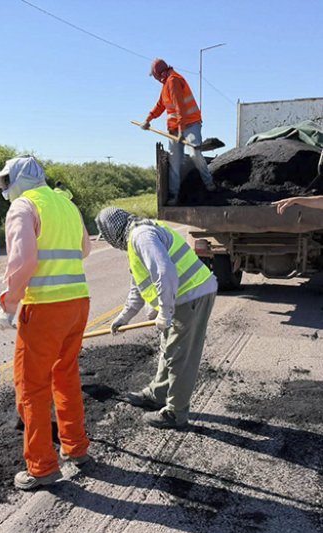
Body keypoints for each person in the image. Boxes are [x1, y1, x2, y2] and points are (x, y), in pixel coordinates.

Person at [0, 156, 92, 491]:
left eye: (7, 181)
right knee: (65, 375)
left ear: (19, 179)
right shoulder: (66, 204)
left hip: (45, 308)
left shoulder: (23, 206)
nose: (5, 189)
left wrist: (8, 306)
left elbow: (22, 261)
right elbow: (85, 250)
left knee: (32, 387)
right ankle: (75, 447)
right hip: (78, 302)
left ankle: (42, 467)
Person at [96, 207, 217, 430]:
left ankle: (176, 413)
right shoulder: (135, 238)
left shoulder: (142, 236)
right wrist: (124, 317)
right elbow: (139, 286)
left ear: (112, 231)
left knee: (180, 356)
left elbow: (164, 272)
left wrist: (165, 312)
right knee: (168, 348)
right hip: (183, 297)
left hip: (192, 295)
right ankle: (158, 394)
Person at [141, 59, 216, 202]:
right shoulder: (165, 85)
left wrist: (181, 130)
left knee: (194, 153)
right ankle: (174, 195)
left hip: (191, 124)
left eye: (155, 76)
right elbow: (160, 106)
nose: (155, 79)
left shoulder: (173, 81)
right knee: (174, 161)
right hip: (175, 129)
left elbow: (180, 107)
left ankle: (209, 184)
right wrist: (148, 119)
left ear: (159, 74)